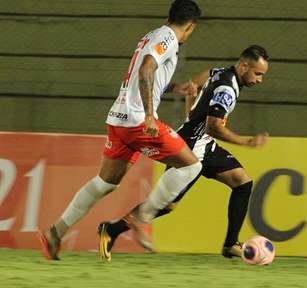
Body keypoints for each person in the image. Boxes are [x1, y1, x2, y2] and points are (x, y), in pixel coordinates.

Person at [38, 0, 203, 260]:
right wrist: (149, 115)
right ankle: (143, 217)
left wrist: (175, 88)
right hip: (138, 120)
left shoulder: (152, 35)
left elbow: (148, 72)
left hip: (118, 119)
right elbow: (146, 68)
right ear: (191, 26)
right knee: (192, 166)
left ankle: (55, 232)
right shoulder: (169, 38)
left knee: (105, 183)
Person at [98, 45, 270, 261]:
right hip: (191, 148)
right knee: (168, 205)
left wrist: (191, 112)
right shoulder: (227, 88)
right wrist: (247, 142)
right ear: (244, 65)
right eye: (258, 74)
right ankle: (112, 229)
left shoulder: (219, 72)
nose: (260, 79)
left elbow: (193, 84)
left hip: (206, 145)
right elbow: (213, 127)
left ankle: (230, 244)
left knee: (243, 183)